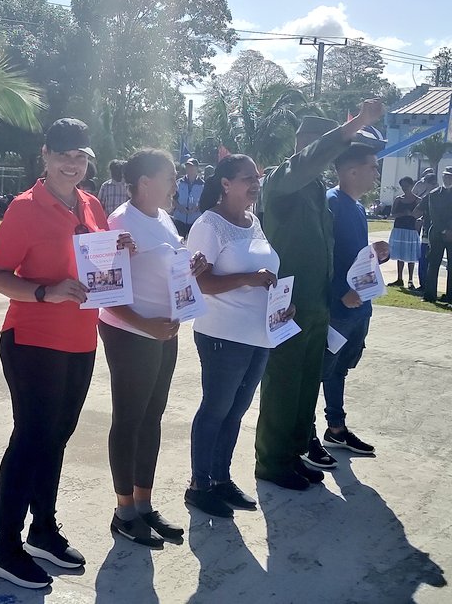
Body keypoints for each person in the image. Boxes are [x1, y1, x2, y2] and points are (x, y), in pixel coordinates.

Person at [0, 118, 125, 587]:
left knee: (57, 437)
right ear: (45, 154)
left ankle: (43, 527)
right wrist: (44, 293)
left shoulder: (91, 205)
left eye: (80, 155)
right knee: (31, 438)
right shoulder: (25, 207)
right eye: (63, 154)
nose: (72, 163)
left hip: (80, 340)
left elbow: (98, 263)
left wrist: (117, 250)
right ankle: (5, 545)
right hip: (32, 339)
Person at [254, 100, 386, 491]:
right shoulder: (283, 180)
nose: (331, 154)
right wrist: (355, 123)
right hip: (290, 304)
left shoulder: (315, 191)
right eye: (325, 144)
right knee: (282, 383)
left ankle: (292, 455)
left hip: (315, 305)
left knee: (305, 383)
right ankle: (271, 462)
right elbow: (308, 161)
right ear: (307, 144)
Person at [100, 148, 207, 548]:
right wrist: (144, 323)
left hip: (164, 333)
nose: (176, 184)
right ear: (145, 182)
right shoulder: (120, 222)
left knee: (152, 419)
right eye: (170, 176)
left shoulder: (162, 219)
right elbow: (105, 291)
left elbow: (167, 268)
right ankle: (124, 510)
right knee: (128, 419)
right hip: (130, 333)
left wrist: (189, 268)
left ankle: (144, 504)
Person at [184, 154, 288, 518]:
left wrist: (279, 305)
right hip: (221, 334)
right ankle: (199, 485)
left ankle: (221, 479)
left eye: (258, 177)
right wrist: (248, 278)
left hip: (259, 332)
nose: (256, 183)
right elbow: (200, 282)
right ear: (226, 183)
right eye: (248, 178)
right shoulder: (209, 225)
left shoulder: (252, 221)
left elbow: (265, 274)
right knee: (216, 408)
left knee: (236, 412)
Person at [302, 135, 389, 470]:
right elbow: (323, 256)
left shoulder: (355, 206)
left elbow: (354, 256)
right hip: (339, 309)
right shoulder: (332, 204)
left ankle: (335, 428)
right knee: (319, 371)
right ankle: (305, 434)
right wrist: (341, 291)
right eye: (372, 168)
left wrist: (378, 254)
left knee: (338, 371)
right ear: (351, 171)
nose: (375, 175)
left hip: (359, 307)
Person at [420, 166, 452, 303]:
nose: (447, 178)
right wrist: (445, 230)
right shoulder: (433, 194)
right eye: (445, 176)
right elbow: (434, 215)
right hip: (437, 233)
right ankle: (430, 295)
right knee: (433, 264)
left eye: (449, 176)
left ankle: (450, 296)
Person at [386, 176, 421, 289]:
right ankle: (399, 278)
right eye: (403, 186)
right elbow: (392, 215)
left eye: (407, 186)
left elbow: (420, 215)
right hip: (399, 229)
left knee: (411, 255)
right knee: (400, 254)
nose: (404, 188)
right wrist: (403, 214)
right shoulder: (398, 199)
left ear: (411, 186)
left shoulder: (418, 200)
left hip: (411, 229)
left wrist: (412, 215)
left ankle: (410, 280)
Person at [413, 173, 438, 289]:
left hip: (429, 232)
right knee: (430, 260)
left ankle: (425, 285)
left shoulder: (429, 196)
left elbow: (415, 213)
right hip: (437, 233)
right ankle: (430, 286)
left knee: (425, 260)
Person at [172, 158, 204, 237]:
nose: (189, 169)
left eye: (192, 167)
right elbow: (172, 198)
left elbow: (205, 201)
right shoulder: (179, 183)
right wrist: (179, 207)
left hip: (195, 220)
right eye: (188, 166)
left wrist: (197, 207)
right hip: (179, 219)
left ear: (197, 168)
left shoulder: (203, 185)